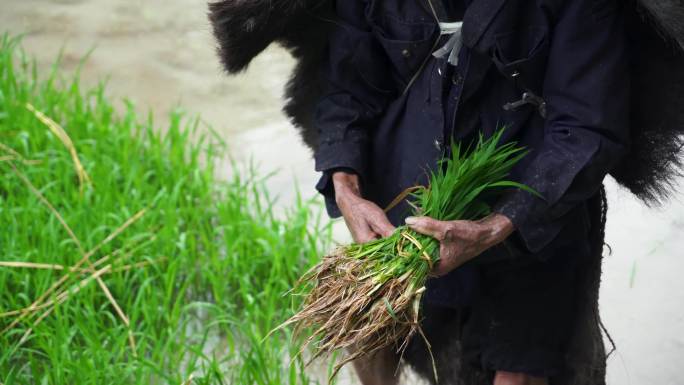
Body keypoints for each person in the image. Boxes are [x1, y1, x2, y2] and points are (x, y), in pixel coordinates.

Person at [312, 0, 629, 384]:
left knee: (520, 370)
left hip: (533, 212)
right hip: (404, 204)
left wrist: (496, 226)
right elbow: (347, 92)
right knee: (372, 329)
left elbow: (585, 130)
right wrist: (346, 189)